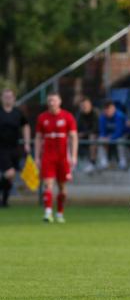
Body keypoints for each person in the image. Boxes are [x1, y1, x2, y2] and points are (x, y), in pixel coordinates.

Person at [35, 93, 78, 223]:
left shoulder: (67, 116)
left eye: (54, 100)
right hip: (48, 156)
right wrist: (37, 156)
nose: (51, 103)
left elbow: (73, 137)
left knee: (62, 188)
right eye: (49, 101)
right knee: (48, 184)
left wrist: (74, 155)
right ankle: (48, 213)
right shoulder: (42, 117)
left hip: (63, 157)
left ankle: (60, 213)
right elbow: (37, 138)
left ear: (60, 101)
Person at [0, 88, 30, 207]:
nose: (8, 99)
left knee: (10, 178)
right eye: (5, 96)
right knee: (10, 173)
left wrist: (27, 143)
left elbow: (26, 126)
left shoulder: (18, 113)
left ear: (14, 99)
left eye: (10, 97)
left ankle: (4, 202)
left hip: (15, 147)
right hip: (1, 148)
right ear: (1, 98)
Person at [98, 100, 127, 170]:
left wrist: (110, 138)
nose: (108, 111)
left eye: (109, 109)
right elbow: (102, 131)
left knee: (120, 140)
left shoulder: (120, 116)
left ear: (113, 108)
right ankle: (103, 162)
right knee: (101, 139)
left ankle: (122, 161)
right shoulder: (102, 117)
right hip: (109, 136)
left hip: (122, 135)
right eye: (106, 109)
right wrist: (104, 137)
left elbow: (119, 132)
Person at [76, 97, 99, 173]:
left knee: (92, 137)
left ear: (90, 105)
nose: (84, 107)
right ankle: (72, 162)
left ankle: (92, 162)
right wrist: (77, 134)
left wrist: (84, 134)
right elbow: (76, 127)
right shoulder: (80, 114)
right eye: (82, 106)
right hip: (83, 136)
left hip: (95, 135)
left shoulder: (96, 113)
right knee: (71, 137)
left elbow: (96, 129)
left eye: (86, 105)